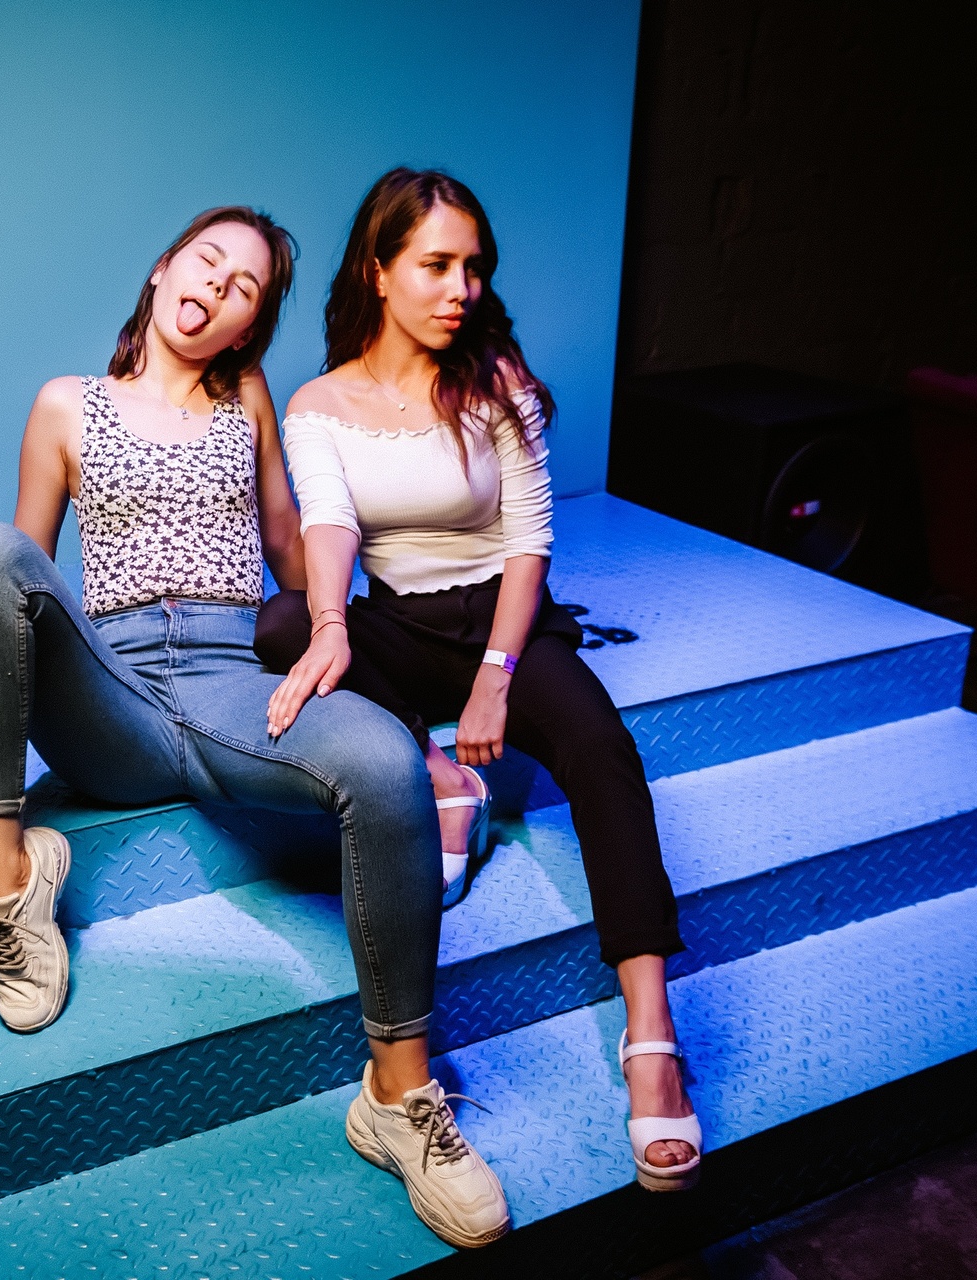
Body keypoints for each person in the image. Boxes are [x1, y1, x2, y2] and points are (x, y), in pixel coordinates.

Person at [0, 205, 511, 1245]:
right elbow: (24, 563)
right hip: (109, 689)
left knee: (381, 761)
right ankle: (11, 890)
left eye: (246, 289)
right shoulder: (66, 403)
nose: (219, 287)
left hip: (236, 684)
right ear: (161, 271)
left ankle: (397, 1096)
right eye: (207, 262)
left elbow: (291, 547)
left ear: (248, 328)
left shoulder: (249, 401)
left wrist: (367, 620)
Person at [256, 169, 705, 1192]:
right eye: (436, 265)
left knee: (601, 749)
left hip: (503, 620)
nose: (461, 289)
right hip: (402, 625)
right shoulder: (320, 404)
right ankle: (434, 769)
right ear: (378, 271)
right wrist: (330, 625)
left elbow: (529, 540)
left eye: (473, 267)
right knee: (283, 623)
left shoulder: (496, 377)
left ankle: (652, 1033)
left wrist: (498, 676)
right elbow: (330, 524)